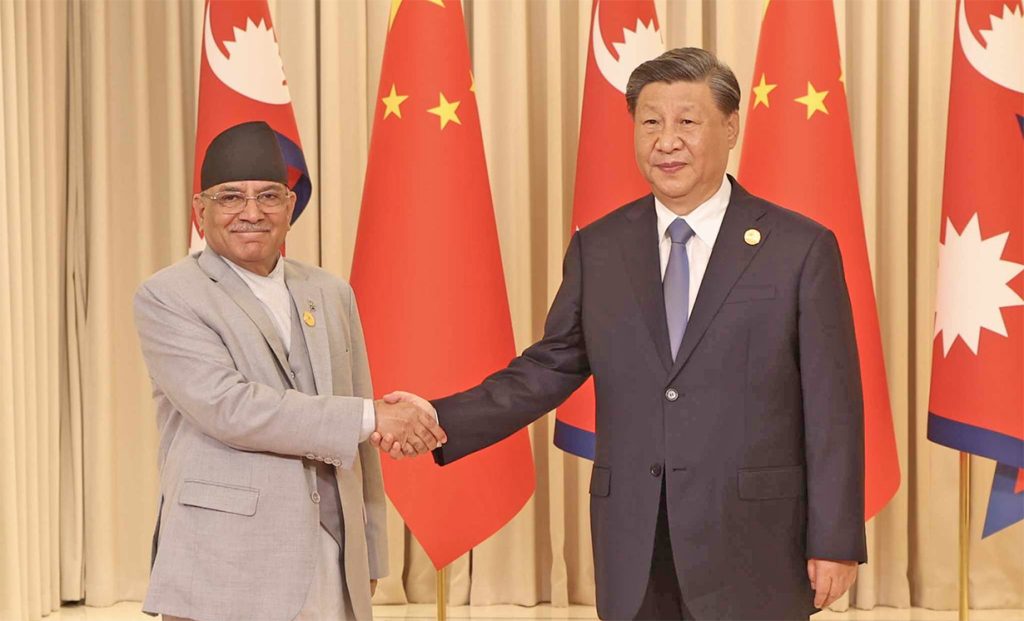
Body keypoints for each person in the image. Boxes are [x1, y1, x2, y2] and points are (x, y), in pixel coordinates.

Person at [377, 48, 866, 620]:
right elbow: (549, 366)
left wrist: (834, 540)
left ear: (731, 127)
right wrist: (439, 417)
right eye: (650, 121)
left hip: (754, 543)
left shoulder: (799, 248)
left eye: (687, 121)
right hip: (635, 541)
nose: (666, 141)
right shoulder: (601, 247)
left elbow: (833, 406)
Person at [134, 121, 443, 621]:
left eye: (268, 196)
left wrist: (369, 551)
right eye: (231, 197)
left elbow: (361, 438)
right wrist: (372, 416)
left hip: (331, 556)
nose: (251, 213)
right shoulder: (169, 296)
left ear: (290, 206)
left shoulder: (331, 292)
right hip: (222, 563)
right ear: (200, 210)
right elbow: (230, 409)